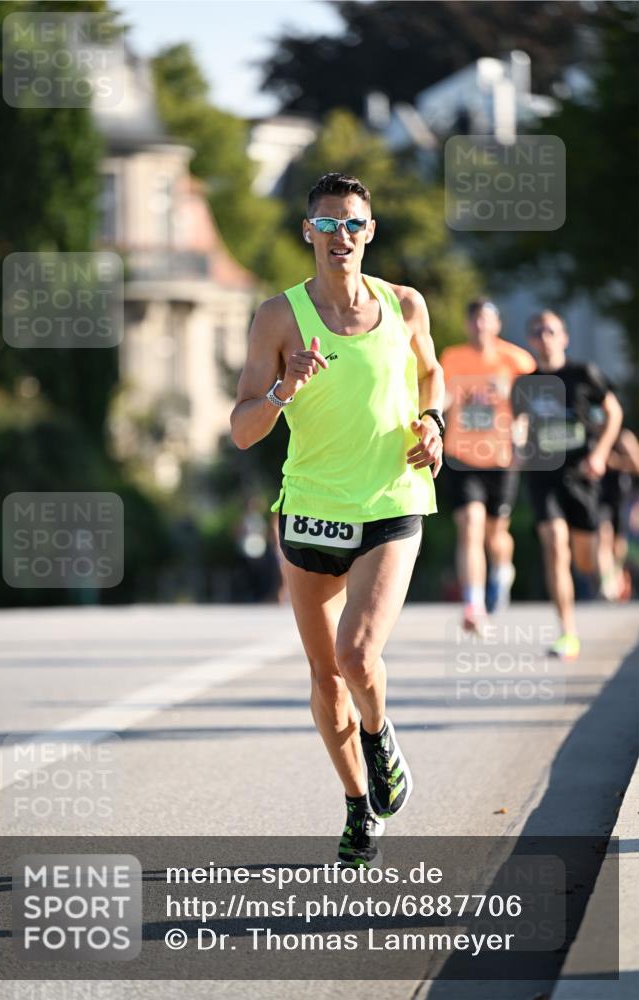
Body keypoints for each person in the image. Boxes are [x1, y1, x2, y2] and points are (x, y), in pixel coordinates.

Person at [230, 172, 444, 867]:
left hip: (391, 499)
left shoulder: (405, 304)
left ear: (369, 232)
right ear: (306, 232)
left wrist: (435, 423)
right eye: (325, 225)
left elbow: (431, 373)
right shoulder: (277, 317)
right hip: (310, 511)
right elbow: (241, 430)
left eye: (351, 224)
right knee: (325, 677)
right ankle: (358, 805)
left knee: (357, 654)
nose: (339, 237)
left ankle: (379, 739)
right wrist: (282, 389)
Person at [512, 310, 623, 660]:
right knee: (555, 547)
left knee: (585, 560)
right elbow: (518, 422)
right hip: (543, 476)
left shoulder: (583, 374)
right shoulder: (524, 384)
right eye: (537, 330)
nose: (544, 336)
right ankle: (567, 632)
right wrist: (516, 447)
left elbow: (614, 413)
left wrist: (601, 453)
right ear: (530, 339)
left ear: (564, 337)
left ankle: (603, 563)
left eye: (551, 330)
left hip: (582, 475)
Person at [440, 299, 535, 632]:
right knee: (470, 524)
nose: (480, 326)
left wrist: (521, 428)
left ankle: (502, 568)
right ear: (468, 325)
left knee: (496, 534)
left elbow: (531, 405)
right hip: (461, 455)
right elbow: (445, 398)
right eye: (474, 319)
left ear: (497, 324)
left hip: (501, 457)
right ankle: (474, 603)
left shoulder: (517, 360)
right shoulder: (452, 358)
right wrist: (436, 410)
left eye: (486, 319)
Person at [597, 428, 639, 600]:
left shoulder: (625, 438)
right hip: (602, 497)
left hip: (623, 500)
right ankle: (607, 584)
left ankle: (619, 578)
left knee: (618, 547)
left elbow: (637, 465)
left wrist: (617, 462)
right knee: (603, 537)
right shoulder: (596, 436)